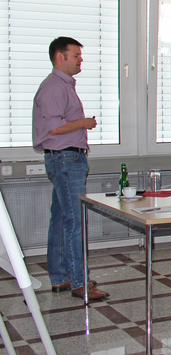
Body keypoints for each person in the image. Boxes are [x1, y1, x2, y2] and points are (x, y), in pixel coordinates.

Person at [33, 37, 108, 300]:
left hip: (64, 159)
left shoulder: (62, 85)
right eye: (76, 55)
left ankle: (62, 277)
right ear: (60, 56)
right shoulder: (55, 86)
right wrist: (84, 123)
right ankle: (79, 282)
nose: (80, 60)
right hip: (65, 159)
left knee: (61, 219)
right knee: (75, 221)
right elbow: (55, 127)